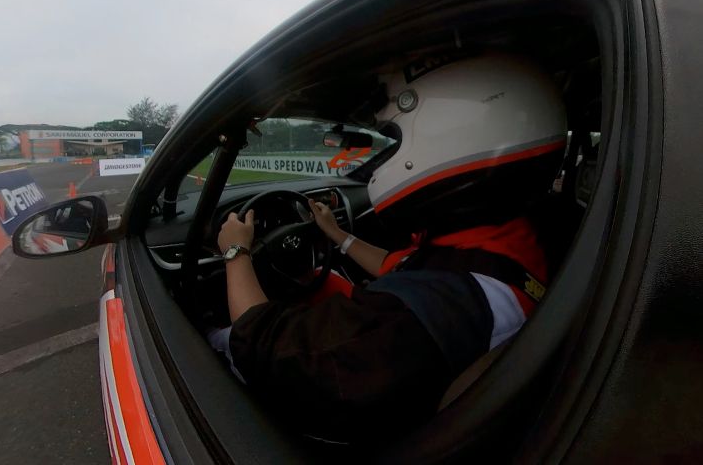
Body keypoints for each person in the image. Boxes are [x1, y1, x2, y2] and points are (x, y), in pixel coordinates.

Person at [213, 54, 568, 440]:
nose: (387, 157)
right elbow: (402, 266)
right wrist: (337, 234)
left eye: (393, 141)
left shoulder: (417, 317)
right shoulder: (504, 239)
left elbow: (269, 349)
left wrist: (236, 252)